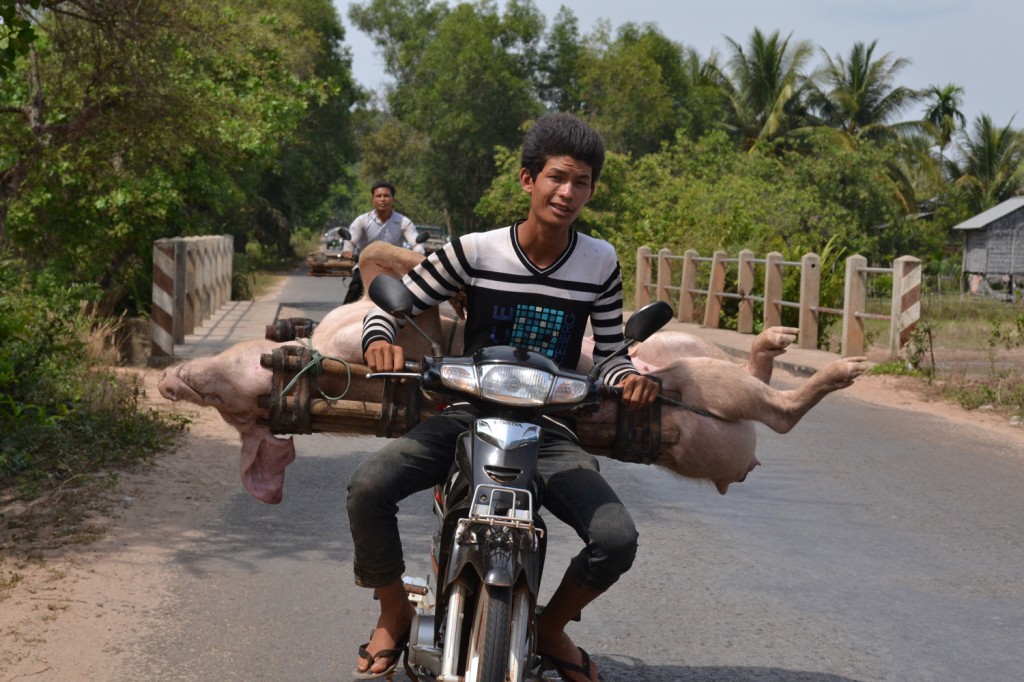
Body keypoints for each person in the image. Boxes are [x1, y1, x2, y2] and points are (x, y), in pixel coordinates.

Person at [347, 113, 660, 681]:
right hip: (465, 414)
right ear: (527, 180)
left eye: (582, 182)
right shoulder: (476, 250)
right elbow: (391, 303)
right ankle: (393, 613)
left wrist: (630, 378)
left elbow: (612, 355)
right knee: (368, 488)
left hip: (550, 428)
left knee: (617, 538)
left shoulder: (600, 262)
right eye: (557, 178)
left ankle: (550, 627)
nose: (568, 193)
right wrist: (379, 342)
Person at [341, 181, 424, 305]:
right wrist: (347, 251)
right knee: (356, 285)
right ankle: (343, 317)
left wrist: (418, 254)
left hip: (395, 268)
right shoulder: (362, 221)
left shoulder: (403, 222)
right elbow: (351, 241)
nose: (383, 199)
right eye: (379, 196)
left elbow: (416, 243)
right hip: (365, 266)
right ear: (373, 199)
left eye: (386, 196)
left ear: (392, 199)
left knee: (415, 296)